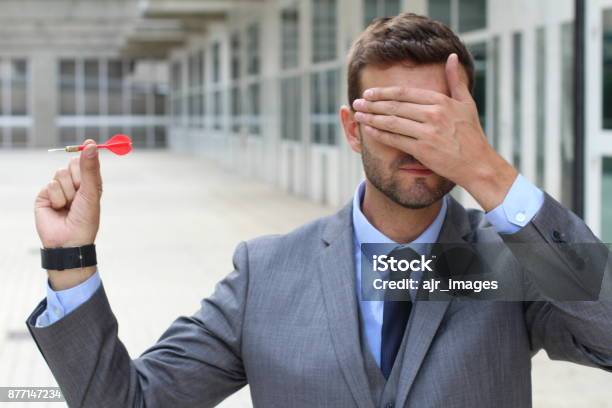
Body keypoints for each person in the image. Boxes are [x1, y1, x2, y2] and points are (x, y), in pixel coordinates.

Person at [27, 13, 612, 408]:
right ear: (353, 130)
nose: (414, 146)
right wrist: (70, 261)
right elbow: (128, 400)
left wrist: (489, 173)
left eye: (432, 123)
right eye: (390, 121)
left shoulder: (509, 263)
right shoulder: (268, 274)